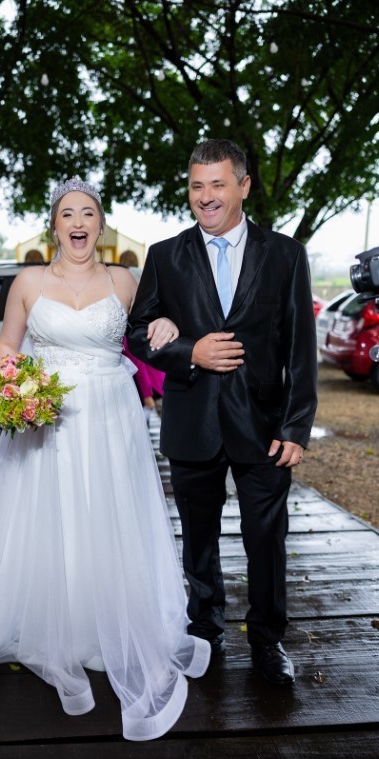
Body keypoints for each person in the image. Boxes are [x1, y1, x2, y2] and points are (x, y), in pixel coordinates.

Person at [0, 177, 211, 741]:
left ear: (101, 225)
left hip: (111, 415)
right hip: (47, 417)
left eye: (88, 213)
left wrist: (167, 323)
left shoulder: (124, 280)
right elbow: (8, 344)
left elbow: (154, 326)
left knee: (109, 515)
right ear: (54, 226)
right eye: (68, 214)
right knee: (49, 516)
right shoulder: (28, 282)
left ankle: (110, 624)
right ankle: (51, 624)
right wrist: (14, 389)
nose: (78, 222)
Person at [128, 140, 318, 686]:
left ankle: (267, 640)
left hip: (264, 426)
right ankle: (205, 632)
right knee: (198, 537)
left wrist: (295, 426)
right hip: (193, 420)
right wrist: (190, 351)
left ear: (243, 186)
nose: (205, 196)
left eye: (217, 184)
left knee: (267, 539)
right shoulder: (165, 255)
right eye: (196, 186)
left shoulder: (285, 254)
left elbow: (300, 348)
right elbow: (137, 333)